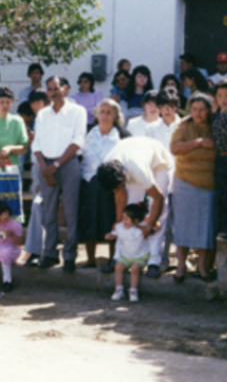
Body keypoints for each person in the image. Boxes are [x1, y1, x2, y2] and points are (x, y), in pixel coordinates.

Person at [97, 136, 174, 279]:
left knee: (157, 212)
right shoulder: (108, 167)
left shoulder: (137, 169)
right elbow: (120, 195)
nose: (118, 189)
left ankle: (154, 262)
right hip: (135, 155)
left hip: (159, 163)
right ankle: (120, 258)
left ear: (124, 175)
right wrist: (118, 221)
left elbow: (158, 198)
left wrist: (149, 226)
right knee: (129, 214)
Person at [32, 76, 87, 271]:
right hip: (45, 165)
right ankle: (50, 254)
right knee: (49, 212)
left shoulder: (77, 111)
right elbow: (36, 143)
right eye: (50, 89)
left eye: (56, 88)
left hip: (68, 163)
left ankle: (70, 256)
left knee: (71, 211)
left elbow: (78, 141)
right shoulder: (42, 114)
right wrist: (44, 168)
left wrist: (55, 165)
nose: (53, 92)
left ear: (65, 88)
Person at [170, 93, 217, 282]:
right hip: (185, 181)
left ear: (209, 110)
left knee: (204, 227)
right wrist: (198, 143)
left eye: (202, 109)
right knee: (183, 225)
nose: (198, 113)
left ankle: (202, 267)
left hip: (208, 184)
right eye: (195, 109)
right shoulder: (184, 125)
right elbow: (174, 148)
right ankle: (181, 266)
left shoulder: (215, 126)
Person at [78, 98, 128, 269]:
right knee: (89, 219)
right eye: (102, 112)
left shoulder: (122, 135)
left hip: (111, 185)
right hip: (89, 182)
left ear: (115, 116)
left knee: (111, 218)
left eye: (109, 112)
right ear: (96, 114)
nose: (105, 116)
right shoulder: (87, 134)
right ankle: (91, 259)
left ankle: (112, 257)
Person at [146, 89, 182, 271]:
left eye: (170, 107)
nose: (166, 111)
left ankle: (181, 259)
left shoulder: (183, 125)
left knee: (179, 219)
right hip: (160, 178)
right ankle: (161, 257)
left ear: (176, 107)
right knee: (161, 217)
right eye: (163, 107)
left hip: (182, 176)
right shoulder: (151, 128)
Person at [0, 87, 29, 220]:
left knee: (10, 205)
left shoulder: (17, 121)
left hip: (11, 170)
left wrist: (10, 148)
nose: (5, 105)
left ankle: (10, 237)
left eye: (8, 102)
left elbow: (24, 146)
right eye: (1, 102)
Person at [23, 89, 51, 266]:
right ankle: (34, 251)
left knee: (39, 207)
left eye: (39, 102)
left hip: (51, 171)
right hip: (37, 171)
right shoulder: (36, 123)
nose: (35, 106)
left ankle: (44, 251)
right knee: (36, 207)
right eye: (33, 103)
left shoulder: (52, 121)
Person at [105, 202, 150, 303]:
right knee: (118, 267)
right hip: (125, 256)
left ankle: (133, 290)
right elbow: (114, 234)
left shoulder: (141, 230)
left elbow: (155, 229)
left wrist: (148, 223)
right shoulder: (119, 227)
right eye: (123, 217)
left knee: (135, 269)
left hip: (140, 257)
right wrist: (110, 236)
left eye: (126, 219)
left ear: (136, 221)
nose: (123, 220)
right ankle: (119, 289)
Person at [213, 81, 227, 240]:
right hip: (220, 159)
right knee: (223, 196)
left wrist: (226, 114)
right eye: (220, 96)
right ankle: (225, 229)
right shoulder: (215, 115)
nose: (224, 99)